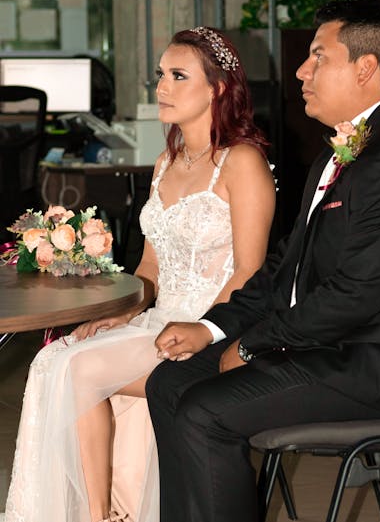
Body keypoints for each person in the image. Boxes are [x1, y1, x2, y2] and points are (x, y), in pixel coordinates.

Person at [145, 0, 380, 522]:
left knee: (203, 409)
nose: (300, 70)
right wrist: (212, 328)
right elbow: (283, 269)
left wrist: (253, 345)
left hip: (378, 363)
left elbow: (354, 296)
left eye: (318, 57)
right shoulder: (341, 150)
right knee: (169, 382)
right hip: (329, 344)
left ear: (365, 68)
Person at [4, 27, 276, 522]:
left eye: (178, 75)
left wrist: (204, 330)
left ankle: (97, 515)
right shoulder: (164, 163)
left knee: (76, 370)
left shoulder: (243, 163)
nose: (162, 88)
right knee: (55, 356)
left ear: (217, 88)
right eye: (160, 76)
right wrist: (120, 315)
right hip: (156, 321)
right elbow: (149, 268)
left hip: (212, 332)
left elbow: (250, 273)